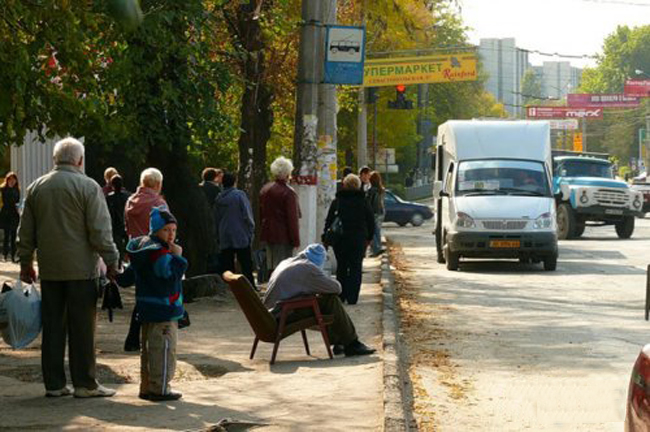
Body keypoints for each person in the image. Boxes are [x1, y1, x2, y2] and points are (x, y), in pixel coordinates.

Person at [17, 137, 119, 398]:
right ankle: (85, 383)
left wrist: (26, 263)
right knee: (82, 328)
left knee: (52, 326)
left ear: (54, 159)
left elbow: (25, 231)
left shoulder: (36, 187)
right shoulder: (88, 186)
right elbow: (99, 230)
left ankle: (54, 384)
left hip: (50, 268)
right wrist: (111, 260)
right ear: (80, 160)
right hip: (81, 269)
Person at [117, 207, 187, 401]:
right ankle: (161, 388)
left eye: (173, 230)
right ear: (156, 230)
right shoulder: (160, 254)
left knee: (148, 351)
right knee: (164, 351)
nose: (171, 235)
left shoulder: (142, 250)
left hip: (146, 308)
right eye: (166, 230)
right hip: (164, 310)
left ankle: (147, 386)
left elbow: (127, 278)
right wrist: (179, 257)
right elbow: (170, 277)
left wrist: (116, 275)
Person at [263, 244, 376, 357]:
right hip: (282, 316)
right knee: (330, 300)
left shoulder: (288, 262)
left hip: (270, 315)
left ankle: (340, 341)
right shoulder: (307, 268)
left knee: (323, 300)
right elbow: (337, 288)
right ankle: (352, 343)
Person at [123, 167, 168, 352]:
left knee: (141, 294)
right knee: (153, 296)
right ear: (158, 184)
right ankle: (137, 338)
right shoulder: (158, 203)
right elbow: (166, 229)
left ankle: (133, 338)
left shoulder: (130, 201)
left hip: (135, 251)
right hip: (153, 252)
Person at [323, 174, 375, 305]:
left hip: (340, 240)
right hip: (358, 240)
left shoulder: (338, 202)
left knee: (342, 266)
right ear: (358, 186)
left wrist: (325, 238)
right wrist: (369, 238)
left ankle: (341, 295)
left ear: (344, 185)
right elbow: (371, 221)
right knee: (356, 267)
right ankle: (353, 297)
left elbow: (329, 221)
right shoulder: (363, 202)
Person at [259, 157, 300, 276]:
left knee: (270, 266)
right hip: (283, 235)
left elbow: (261, 213)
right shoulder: (289, 192)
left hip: (267, 233)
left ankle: (270, 289)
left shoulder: (265, 189)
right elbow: (292, 219)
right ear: (288, 173)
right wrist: (295, 239)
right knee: (283, 268)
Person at [215, 172, 256, 289]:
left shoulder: (219, 198)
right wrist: (251, 230)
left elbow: (216, 218)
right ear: (234, 182)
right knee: (246, 263)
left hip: (224, 234)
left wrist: (218, 234)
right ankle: (250, 286)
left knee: (227, 264)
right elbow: (247, 215)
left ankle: (231, 287)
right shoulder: (239, 195)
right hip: (240, 234)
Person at [106, 175, 131, 265]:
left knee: (118, 249)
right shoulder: (128, 196)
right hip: (127, 225)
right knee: (128, 249)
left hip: (115, 226)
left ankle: (118, 265)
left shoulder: (109, 198)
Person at [0, 172, 21, 262]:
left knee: (13, 235)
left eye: (13, 179)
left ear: (16, 180)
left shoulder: (17, 190)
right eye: (10, 179)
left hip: (14, 213)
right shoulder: (3, 189)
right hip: (5, 213)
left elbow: (17, 202)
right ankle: (4, 255)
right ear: (7, 180)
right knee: (6, 235)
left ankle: (13, 256)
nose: (12, 181)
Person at [367, 171, 386, 257]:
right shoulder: (381, 189)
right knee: (377, 231)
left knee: (371, 231)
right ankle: (377, 249)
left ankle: (376, 249)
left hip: (373, 212)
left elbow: (369, 203)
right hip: (381, 212)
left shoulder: (371, 191)